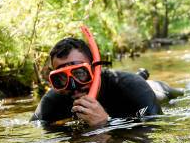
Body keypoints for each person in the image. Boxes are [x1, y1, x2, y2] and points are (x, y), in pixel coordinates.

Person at [32, 38, 161, 126]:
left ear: (95, 69)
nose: (74, 86)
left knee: (162, 91)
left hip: (154, 90)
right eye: (62, 77)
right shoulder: (52, 101)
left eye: (80, 73)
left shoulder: (132, 87)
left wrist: (106, 123)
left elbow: (156, 128)